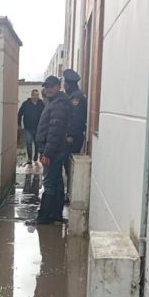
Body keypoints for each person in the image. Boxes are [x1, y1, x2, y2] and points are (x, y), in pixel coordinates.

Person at [28, 75, 71, 226]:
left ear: (59, 86)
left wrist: (47, 153)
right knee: (57, 182)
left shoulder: (58, 104)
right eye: (46, 86)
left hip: (53, 151)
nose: (49, 89)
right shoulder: (54, 101)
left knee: (49, 183)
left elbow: (54, 131)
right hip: (56, 150)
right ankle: (56, 215)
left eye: (52, 86)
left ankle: (44, 217)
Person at [62, 69, 88, 199]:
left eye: (65, 83)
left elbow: (76, 119)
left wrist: (71, 135)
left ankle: (70, 193)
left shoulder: (75, 97)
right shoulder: (75, 95)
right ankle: (69, 192)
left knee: (70, 166)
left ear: (68, 84)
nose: (64, 86)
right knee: (69, 165)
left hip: (73, 138)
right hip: (73, 136)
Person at [17, 89, 45, 166]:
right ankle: (29, 158)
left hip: (38, 128)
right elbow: (20, 113)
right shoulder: (26, 104)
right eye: (35, 95)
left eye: (37, 95)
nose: (36, 97)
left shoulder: (41, 104)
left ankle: (36, 155)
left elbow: (45, 115)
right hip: (28, 128)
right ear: (31, 96)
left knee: (37, 143)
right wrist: (19, 124)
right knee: (29, 143)